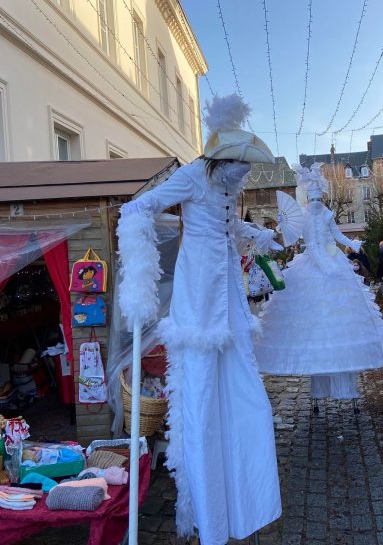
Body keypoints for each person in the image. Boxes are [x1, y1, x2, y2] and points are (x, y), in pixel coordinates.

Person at [116, 94, 282, 545]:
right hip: (199, 291)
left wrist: (259, 234)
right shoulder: (192, 176)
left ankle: (246, 498)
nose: (244, 173)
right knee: (202, 391)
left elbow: (230, 228)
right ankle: (209, 510)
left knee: (244, 391)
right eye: (239, 164)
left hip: (227, 289)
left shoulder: (229, 188)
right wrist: (140, 277)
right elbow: (137, 209)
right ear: (221, 157)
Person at [254, 163, 383, 401]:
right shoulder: (303, 218)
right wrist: (280, 225)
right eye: (312, 199)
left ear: (322, 199)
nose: (315, 203)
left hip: (333, 260)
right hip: (312, 263)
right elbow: (301, 241)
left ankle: (344, 384)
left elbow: (337, 234)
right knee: (314, 318)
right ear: (307, 200)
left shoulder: (328, 214)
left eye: (318, 199)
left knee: (339, 317)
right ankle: (319, 383)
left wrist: (352, 244)